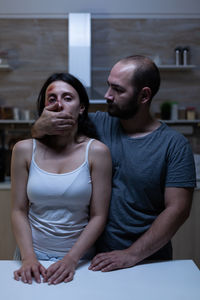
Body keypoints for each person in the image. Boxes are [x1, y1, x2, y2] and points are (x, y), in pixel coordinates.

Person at [32, 55, 196, 272]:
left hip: (148, 261)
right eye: (109, 86)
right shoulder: (97, 125)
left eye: (118, 90)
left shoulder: (174, 145)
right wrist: (37, 128)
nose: (108, 95)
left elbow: (178, 210)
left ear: (144, 95)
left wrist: (131, 255)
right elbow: (47, 135)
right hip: (94, 259)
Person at [11, 73, 112, 285]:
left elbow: (98, 216)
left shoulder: (96, 152)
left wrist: (70, 260)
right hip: (31, 258)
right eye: (52, 98)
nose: (59, 104)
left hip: (79, 261)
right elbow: (18, 210)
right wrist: (28, 257)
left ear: (81, 107)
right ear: (44, 108)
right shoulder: (24, 149)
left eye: (67, 98)